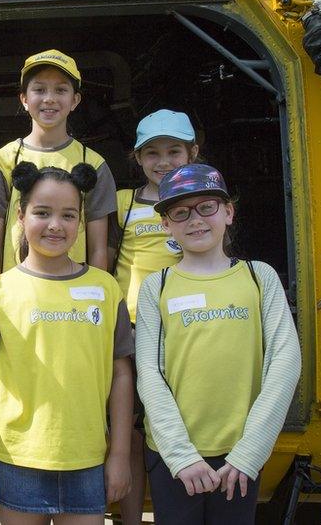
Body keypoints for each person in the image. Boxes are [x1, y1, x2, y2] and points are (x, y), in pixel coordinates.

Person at [0, 162, 134, 524]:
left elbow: (122, 375)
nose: (56, 225)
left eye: (68, 215)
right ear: (21, 217)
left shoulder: (107, 289)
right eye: (42, 213)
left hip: (87, 458)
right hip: (14, 459)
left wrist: (119, 454)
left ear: (81, 221)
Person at [134, 164, 301, 525]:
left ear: (228, 212)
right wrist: (181, 456)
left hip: (238, 457)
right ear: (166, 224)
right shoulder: (157, 286)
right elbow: (149, 373)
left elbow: (285, 362)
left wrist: (249, 452)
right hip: (173, 456)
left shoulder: (259, 277)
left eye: (206, 207)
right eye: (180, 212)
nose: (195, 220)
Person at [107, 109, 199, 524]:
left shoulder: (200, 205)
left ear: (193, 153)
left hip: (186, 329)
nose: (163, 161)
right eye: (153, 153)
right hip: (130, 329)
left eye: (174, 151)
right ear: (138, 158)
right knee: (128, 430)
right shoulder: (124, 203)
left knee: (177, 427)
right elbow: (106, 262)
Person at [0, 49, 117, 277]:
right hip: (17, 294)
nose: (49, 98)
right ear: (24, 99)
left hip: (73, 296)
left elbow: (98, 248)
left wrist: (96, 294)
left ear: (75, 100)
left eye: (61, 90)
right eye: (39, 89)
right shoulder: (2, 160)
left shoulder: (93, 163)